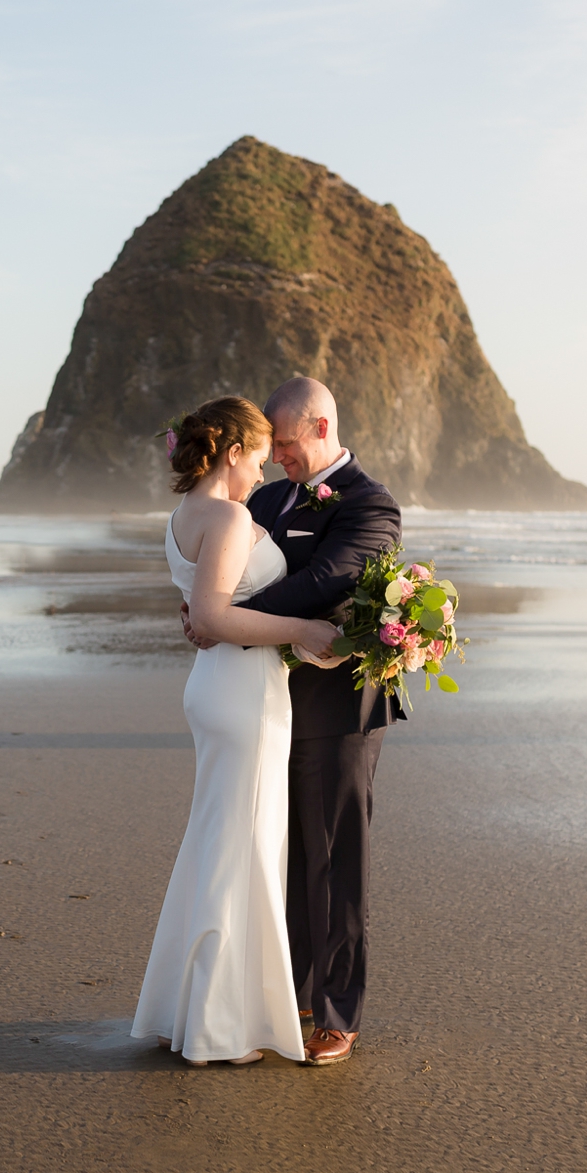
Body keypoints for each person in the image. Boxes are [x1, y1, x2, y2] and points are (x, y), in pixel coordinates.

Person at [182, 376, 403, 1066]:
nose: (276, 457)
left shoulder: (371, 505)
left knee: (334, 862)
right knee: (282, 857)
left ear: (320, 428)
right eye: (268, 446)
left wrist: (220, 621)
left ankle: (337, 1013)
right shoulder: (270, 497)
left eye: (284, 443)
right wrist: (208, 607)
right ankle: (292, 998)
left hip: (338, 710)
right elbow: (225, 567)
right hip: (264, 705)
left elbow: (324, 581)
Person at [130, 397, 342, 1066]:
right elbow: (216, 615)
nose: (260, 472)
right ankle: (219, 1027)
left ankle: (185, 1010)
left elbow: (200, 603)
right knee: (242, 846)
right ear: (230, 454)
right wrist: (304, 631)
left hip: (218, 688)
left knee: (217, 842)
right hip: (242, 691)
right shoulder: (226, 514)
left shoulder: (182, 517)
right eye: (256, 458)